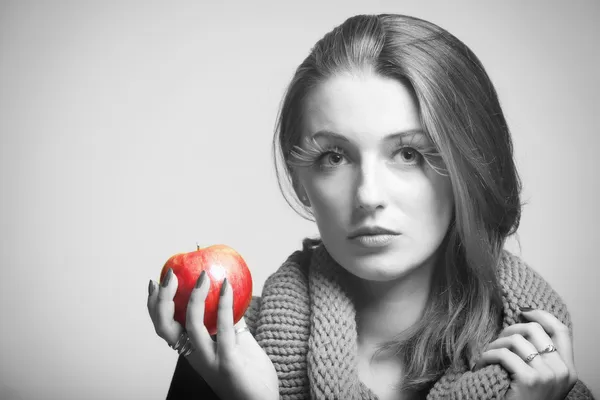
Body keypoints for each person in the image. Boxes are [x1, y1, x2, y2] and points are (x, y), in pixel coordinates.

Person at [147, 13, 595, 400]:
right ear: (302, 181)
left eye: (408, 154)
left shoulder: (540, 375)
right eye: (335, 157)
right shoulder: (227, 355)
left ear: (467, 170)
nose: (367, 195)